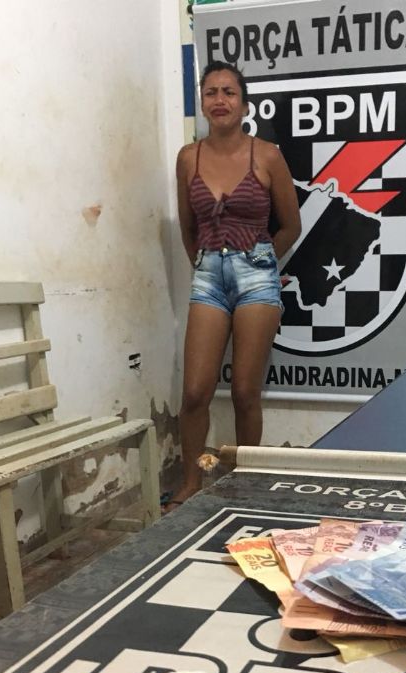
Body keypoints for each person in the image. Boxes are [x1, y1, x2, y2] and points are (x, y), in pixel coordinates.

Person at [165, 61, 301, 510]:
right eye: (211, 92)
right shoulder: (188, 157)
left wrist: (258, 260)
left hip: (256, 276)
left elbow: (292, 225)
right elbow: (188, 228)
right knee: (194, 392)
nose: (219, 100)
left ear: (244, 104)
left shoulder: (267, 155)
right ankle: (191, 482)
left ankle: (247, 483)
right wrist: (206, 263)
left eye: (229, 92)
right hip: (208, 276)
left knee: (245, 391)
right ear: (202, 103)